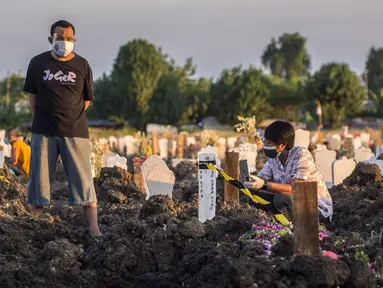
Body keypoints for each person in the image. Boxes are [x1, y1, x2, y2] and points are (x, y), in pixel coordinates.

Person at [23, 20, 101, 237]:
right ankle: (30, 228)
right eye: (60, 38)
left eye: (69, 39)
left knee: (84, 179)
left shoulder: (83, 65)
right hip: (43, 132)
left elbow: (87, 100)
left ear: (74, 40)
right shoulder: (37, 63)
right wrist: (41, 117)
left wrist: (70, 116)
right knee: (38, 182)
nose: (64, 42)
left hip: (75, 132)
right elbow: (32, 97)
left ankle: (94, 229)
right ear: (51, 39)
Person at [244, 120, 333, 222]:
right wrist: (252, 182)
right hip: (292, 202)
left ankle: (288, 226)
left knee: (282, 199)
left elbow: (295, 189)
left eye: (269, 143)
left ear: (283, 145)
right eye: (265, 141)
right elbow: (262, 178)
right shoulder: (274, 158)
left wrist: (264, 184)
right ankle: (266, 222)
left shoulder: (301, 154)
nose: (265, 145)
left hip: (315, 209)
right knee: (254, 196)